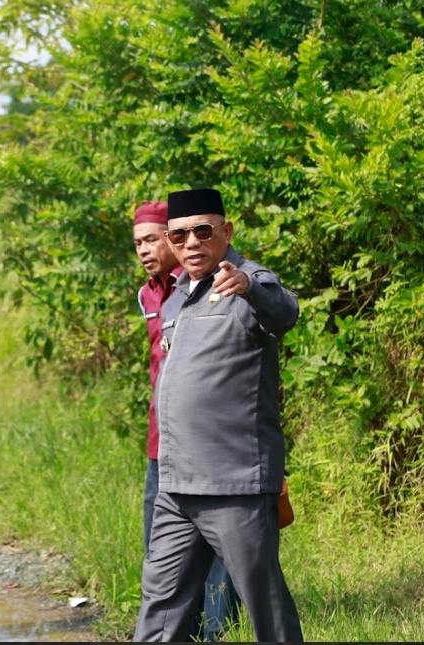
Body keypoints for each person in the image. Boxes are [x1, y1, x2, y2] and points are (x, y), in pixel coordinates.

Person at [133, 187, 303, 643]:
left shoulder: (247, 279)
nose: (191, 243)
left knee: (265, 608)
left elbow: (285, 310)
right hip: (175, 486)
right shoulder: (174, 300)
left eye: (202, 231)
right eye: (180, 234)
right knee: (160, 608)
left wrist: (248, 287)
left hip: (234, 485)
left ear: (226, 232)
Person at [133, 200, 240, 641]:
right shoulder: (149, 294)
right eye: (138, 242)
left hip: (213, 450)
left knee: (223, 558)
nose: (145, 250)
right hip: (162, 446)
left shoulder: (217, 284)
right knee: (163, 555)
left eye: (153, 239)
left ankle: (216, 635)